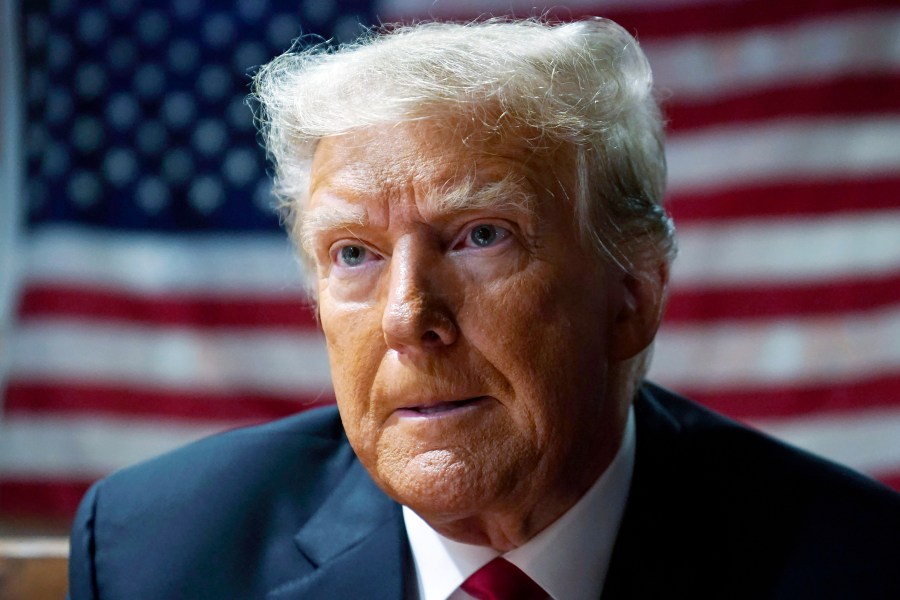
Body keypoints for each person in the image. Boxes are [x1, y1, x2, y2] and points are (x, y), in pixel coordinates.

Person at [68, 18, 900, 600]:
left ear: (633, 295)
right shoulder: (160, 555)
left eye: (480, 236)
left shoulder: (853, 564)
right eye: (353, 253)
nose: (406, 317)